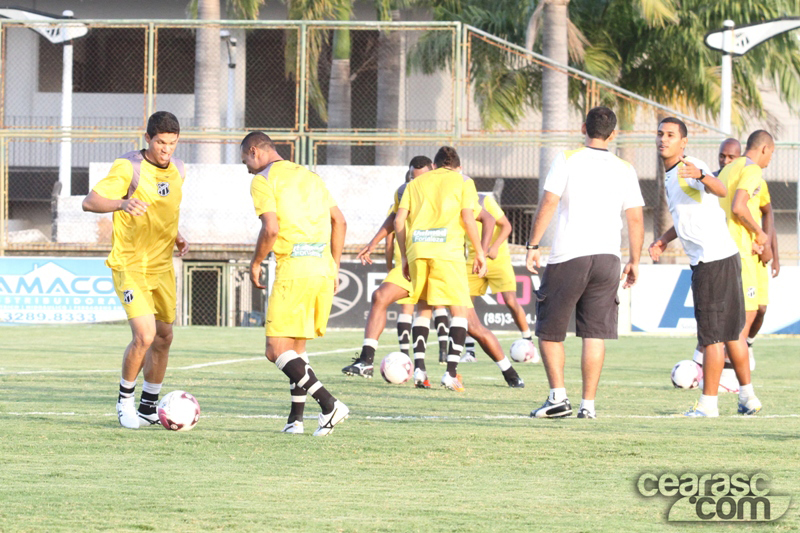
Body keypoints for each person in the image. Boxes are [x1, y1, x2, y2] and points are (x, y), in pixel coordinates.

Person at [525, 106, 644, 419]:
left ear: (583, 127)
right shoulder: (625, 168)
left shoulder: (567, 158)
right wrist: (634, 260)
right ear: (613, 134)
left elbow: (549, 201)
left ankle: (558, 398)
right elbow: (635, 217)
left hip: (570, 255)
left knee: (549, 330)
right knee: (594, 333)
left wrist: (533, 245)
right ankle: (588, 406)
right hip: (608, 258)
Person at [82, 111, 189, 429]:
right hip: (130, 266)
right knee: (145, 335)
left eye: (171, 143)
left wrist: (178, 235)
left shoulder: (180, 170)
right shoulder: (129, 167)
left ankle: (148, 406)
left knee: (165, 337)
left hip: (162, 267)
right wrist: (121, 203)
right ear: (147, 139)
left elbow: (165, 210)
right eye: (160, 142)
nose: (166, 150)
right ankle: (124, 402)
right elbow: (90, 201)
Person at [650, 118, 760, 417]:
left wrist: (702, 174)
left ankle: (708, 405)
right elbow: (685, 215)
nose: (663, 139)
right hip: (723, 256)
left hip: (711, 262)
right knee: (732, 333)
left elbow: (721, 189)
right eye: (660, 134)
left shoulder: (689, 166)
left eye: (670, 135)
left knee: (710, 336)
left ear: (683, 142)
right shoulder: (672, 174)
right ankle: (748, 397)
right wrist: (663, 239)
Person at [243, 131, 349, 436]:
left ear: (255, 151)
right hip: (322, 269)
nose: (247, 168)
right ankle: (295, 420)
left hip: (294, 271)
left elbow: (271, 229)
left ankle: (329, 405)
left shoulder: (263, 180)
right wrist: (334, 265)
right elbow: (339, 221)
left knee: (275, 350)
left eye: (245, 161)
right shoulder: (311, 176)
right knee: (296, 348)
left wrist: (257, 261)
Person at [395, 146, 486, 392]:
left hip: (418, 250)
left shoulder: (416, 183)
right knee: (459, 310)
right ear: (458, 167)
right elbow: (468, 218)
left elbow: (398, 220)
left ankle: (420, 371)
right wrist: (479, 252)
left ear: (433, 166)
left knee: (423, 308)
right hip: (447, 252)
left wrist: (404, 257)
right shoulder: (463, 182)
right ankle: (451, 373)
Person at [715, 129, 774, 415]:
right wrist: (759, 233)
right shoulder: (751, 170)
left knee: (730, 329)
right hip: (741, 256)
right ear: (764, 149)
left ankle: (724, 398)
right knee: (740, 329)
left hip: (720, 255)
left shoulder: (728, 170)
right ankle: (746, 396)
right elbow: (740, 207)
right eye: (771, 154)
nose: (769, 160)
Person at [462, 192, 533, 362]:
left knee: (510, 301)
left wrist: (494, 247)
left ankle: (529, 344)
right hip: (473, 261)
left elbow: (506, 226)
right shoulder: (455, 205)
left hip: (497, 259)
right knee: (464, 305)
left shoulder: (485, 201)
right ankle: (470, 352)